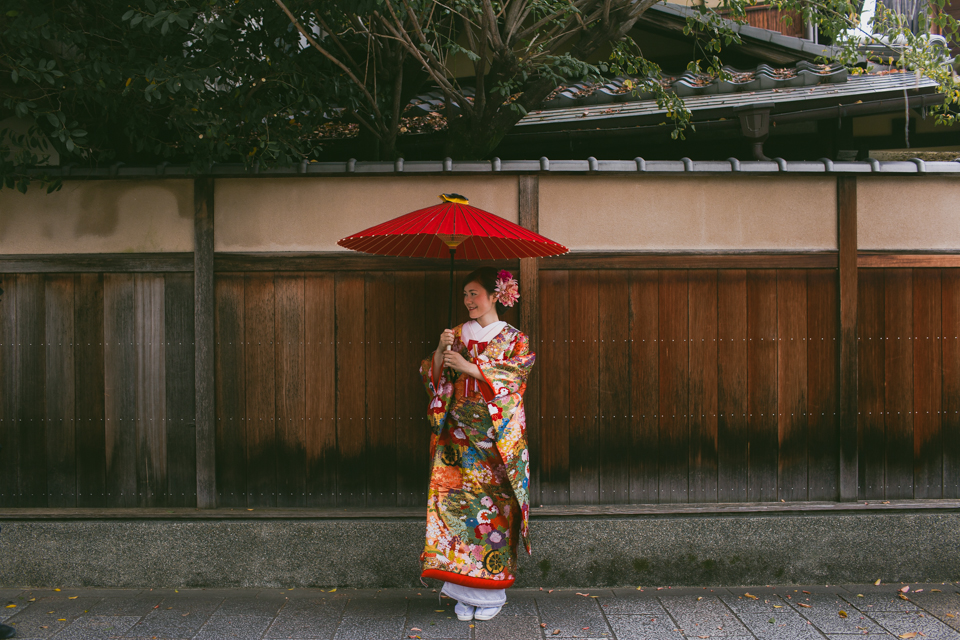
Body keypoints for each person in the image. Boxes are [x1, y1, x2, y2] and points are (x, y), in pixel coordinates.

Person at [419, 267, 535, 622]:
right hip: (457, 439)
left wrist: (470, 368)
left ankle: (490, 591)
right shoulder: (454, 334)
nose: (469, 301)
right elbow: (433, 376)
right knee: (454, 512)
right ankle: (460, 589)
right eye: (465, 294)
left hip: (493, 442)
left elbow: (514, 380)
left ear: (496, 295)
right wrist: (440, 353)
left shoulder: (516, 339)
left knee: (494, 514)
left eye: (475, 293)